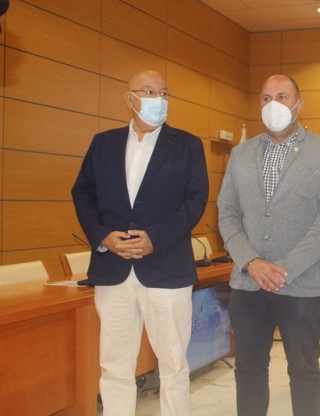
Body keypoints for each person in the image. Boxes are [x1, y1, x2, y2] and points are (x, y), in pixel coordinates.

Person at [71, 70, 208, 416]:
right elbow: (83, 194)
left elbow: (195, 201)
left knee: (173, 363)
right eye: (149, 91)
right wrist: (102, 235)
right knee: (114, 365)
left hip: (167, 269)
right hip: (113, 269)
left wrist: (155, 239)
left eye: (164, 92)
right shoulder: (103, 143)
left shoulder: (188, 145)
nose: (158, 99)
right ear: (129, 98)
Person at [217, 74, 320, 416]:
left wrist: (285, 269)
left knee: (304, 370)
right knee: (248, 369)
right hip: (248, 282)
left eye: (282, 97)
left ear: (298, 105)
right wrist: (251, 262)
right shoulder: (241, 154)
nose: (272, 104)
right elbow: (227, 213)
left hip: (302, 284)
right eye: (265, 98)